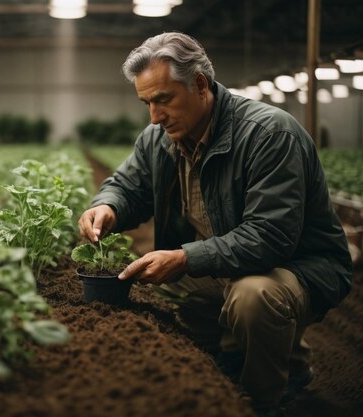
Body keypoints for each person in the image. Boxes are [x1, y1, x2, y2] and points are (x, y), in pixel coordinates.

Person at [77, 32, 352, 417]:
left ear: (200, 85)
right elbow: (128, 186)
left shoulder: (269, 134)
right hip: (228, 257)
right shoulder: (159, 138)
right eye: (146, 103)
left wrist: (186, 257)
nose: (154, 116)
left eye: (163, 99)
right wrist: (107, 207)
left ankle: (267, 392)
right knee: (155, 279)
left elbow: (269, 238)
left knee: (253, 297)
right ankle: (226, 355)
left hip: (297, 266)